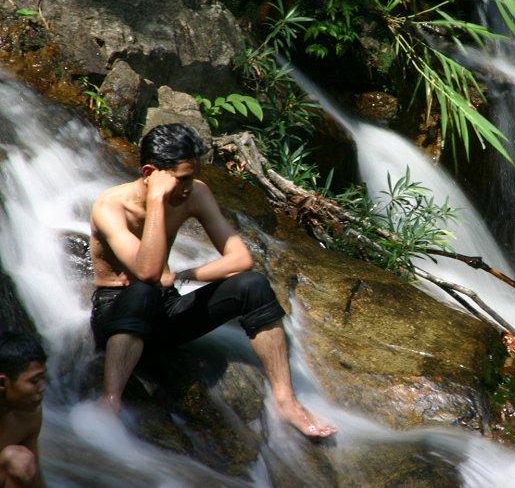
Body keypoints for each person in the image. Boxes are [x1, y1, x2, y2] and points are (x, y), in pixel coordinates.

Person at [88, 122, 335, 438]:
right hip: (118, 313)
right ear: (150, 172)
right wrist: (157, 203)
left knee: (253, 285)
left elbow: (240, 259)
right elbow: (148, 272)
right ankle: (110, 400)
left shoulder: (196, 193)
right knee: (144, 289)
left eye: (193, 175)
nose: (190, 187)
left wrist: (183, 276)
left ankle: (286, 401)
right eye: (183, 179)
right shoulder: (110, 206)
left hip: (164, 310)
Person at [0, 331, 47, 488]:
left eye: (43, 378)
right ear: (3, 383)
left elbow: (34, 474)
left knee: (21, 462)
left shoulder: (30, 413)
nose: (42, 388)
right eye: (34, 381)